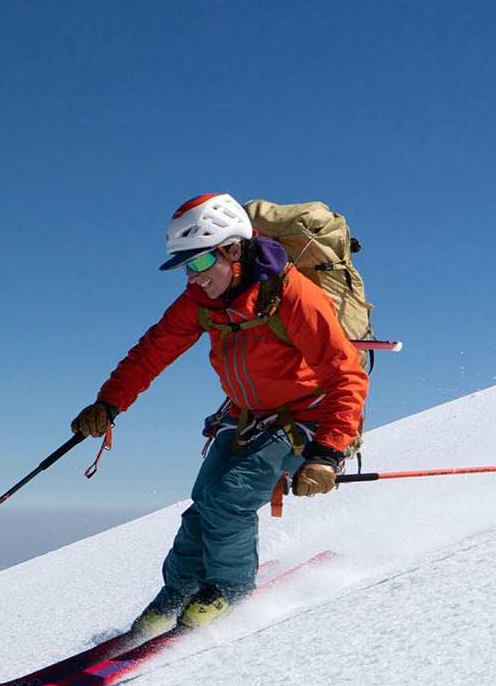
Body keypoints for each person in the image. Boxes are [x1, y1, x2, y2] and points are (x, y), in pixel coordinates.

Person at [71, 193, 368, 636]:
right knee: (203, 500)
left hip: (309, 417)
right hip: (248, 415)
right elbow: (154, 350)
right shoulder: (199, 300)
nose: (192, 277)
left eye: (198, 263)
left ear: (232, 250)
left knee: (227, 498)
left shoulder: (290, 294)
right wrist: (109, 402)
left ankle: (228, 591)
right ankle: (180, 591)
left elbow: (346, 374)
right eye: (185, 267)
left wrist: (326, 453)